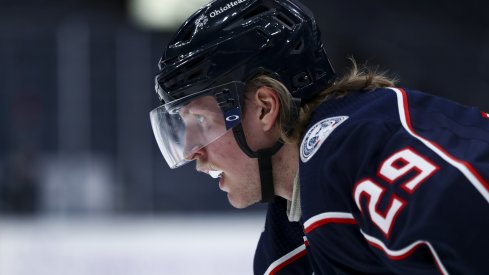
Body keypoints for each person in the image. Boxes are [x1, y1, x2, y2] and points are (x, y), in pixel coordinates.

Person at [149, 0, 489, 274]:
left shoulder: (360, 150)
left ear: (265, 108)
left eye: (201, 120)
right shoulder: (288, 242)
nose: (192, 151)